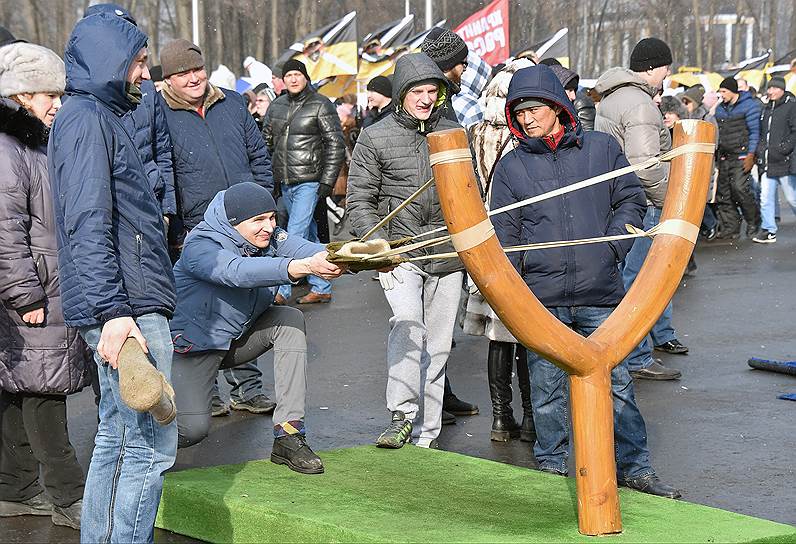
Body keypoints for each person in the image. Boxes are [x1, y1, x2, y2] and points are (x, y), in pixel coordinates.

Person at [492, 63, 679, 498]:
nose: (526, 118)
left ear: (558, 106)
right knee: (547, 391)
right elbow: (506, 233)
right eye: (518, 112)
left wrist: (612, 249)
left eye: (534, 108)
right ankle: (553, 469)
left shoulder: (600, 149)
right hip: (544, 299)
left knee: (618, 387)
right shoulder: (511, 167)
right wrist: (522, 285)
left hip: (601, 293)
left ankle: (635, 468)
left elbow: (629, 200)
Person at [48, 11, 178, 543]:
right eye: (140, 63)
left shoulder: (94, 116)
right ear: (112, 61)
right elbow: (87, 221)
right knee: (147, 445)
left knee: (118, 437)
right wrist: (115, 313)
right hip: (125, 306)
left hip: (125, 299)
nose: (146, 74)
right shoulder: (87, 120)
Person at [170, 182, 345, 474]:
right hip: (195, 347)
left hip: (237, 338)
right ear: (234, 222)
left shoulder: (269, 237)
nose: (269, 226)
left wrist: (354, 257)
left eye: (272, 217)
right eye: (259, 220)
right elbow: (235, 272)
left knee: (289, 320)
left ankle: (288, 436)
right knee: (192, 430)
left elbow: (307, 249)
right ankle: (134, 442)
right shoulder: (200, 245)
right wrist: (300, 267)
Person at [347, 53, 465, 449]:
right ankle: (401, 414)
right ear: (401, 94)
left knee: (440, 346)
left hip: (448, 254)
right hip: (400, 252)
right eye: (418, 90)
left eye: (433, 91)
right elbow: (358, 200)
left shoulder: (453, 131)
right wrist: (377, 243)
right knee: (409, 324)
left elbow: (469, 192)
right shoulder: (375, 136)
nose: (426, 98)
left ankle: (426, 436)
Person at [159, 39, 278, 418]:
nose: (192, 78)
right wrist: (176, 225)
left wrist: (264, 201)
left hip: (245, 222)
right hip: (197, 226)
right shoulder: (158, 111)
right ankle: (205, 391)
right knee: (203, 312)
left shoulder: (231, 102)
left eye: (196, 69)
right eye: (182, 73)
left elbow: (258, 154)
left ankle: (248, 387)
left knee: (245, 300)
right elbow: (165, 170)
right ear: (168, 79)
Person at [0, 41, 90, 531]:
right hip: (34, 291)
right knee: (43, 392)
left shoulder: (32, 143)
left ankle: (14, 488)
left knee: (19, 389)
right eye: (46, 94)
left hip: (45, 285)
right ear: (19, 96)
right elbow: (4, 230)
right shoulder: (8, 149)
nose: (57, 102)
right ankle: (68, 496)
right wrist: (25, 295)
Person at [594, 37, 684, 379]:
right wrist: (668, 201)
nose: (667, 75)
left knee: (623, 278)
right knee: (639, 282)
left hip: (615, 200)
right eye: (665, 68)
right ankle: (636, 357)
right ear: (652, 68)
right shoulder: (641, 105)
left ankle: (627, 351)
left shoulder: (613, 97)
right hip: (640, 202)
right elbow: (646, 164)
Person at [466, 58, 536, 442]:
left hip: (484, 236)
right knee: (526, 329)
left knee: (497, 332)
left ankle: (499, 417)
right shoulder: (522, 136)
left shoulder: (474, 132)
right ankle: (529, 419)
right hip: (521, 235)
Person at [262, 59, 345, 305]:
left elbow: (335, 144)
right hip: (284, 182)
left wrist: (327, 182)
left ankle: (282, 290)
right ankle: (321, 286)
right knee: (308, 237)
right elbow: (266, 144)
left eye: (298, 74)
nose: (294, 79)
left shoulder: (321, 104)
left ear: (306, 77)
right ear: (283, 80)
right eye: (289, 75)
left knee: (291, 235)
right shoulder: (276, 107)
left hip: (310, 180)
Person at [714, 76, 762, 239]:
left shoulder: (749, 106)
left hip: (742, 155)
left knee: (740, 190)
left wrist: (751, 154)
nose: (721, 95)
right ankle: (731, 226)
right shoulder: (720, 108)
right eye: (720, 91)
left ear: (733, 91)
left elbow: (755, 131)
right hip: (725, 156)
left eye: (724, 91)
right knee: (724, 193)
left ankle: (754, 222)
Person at [753, 76, 796, 243]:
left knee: (792, 198)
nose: (770, 91)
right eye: (769, 88)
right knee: (766, 198)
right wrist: (760, 150)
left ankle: (769, 228)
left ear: (782, 89)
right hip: (767, 161)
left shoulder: (791, 106)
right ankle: (769, 229)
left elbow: (794, 132)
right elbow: (764, 134)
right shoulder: (766, 109)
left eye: (773, 88)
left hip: (784, 161)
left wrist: (784, 148)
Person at [420, 27, 468, 124]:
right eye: (463, 63)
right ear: (446, 66)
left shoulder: (434, 97)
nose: (465, 68)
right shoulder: (435, 104)